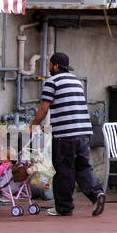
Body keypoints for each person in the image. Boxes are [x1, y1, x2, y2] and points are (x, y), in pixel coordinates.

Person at [31, 52, 105, 217]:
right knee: (83, 167)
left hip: (65, 134)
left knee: (64, 170)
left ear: (56, 65)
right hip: (84, 132)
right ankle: (96, 194)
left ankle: (63, 208)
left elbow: (44, 107)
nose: (49, 68)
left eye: (50, 64)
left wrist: (33, 125)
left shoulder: (52, 81)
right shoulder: (76, 81)